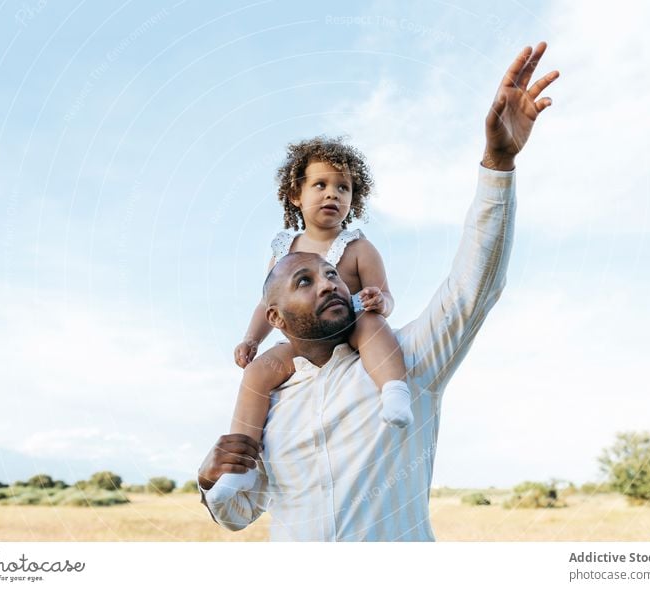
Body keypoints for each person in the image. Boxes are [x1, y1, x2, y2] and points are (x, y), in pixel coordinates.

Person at [198, 42, 559, 540]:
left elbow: (474, 284)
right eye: (305, 279)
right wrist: (212, 481)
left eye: (331, 275)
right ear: (276, 316)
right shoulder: (272, 396)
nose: (329, 280)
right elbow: (238, 514)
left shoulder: (410, 362)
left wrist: (497, 164)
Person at [208, 138, 416, 504]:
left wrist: (378, 301)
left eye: (343, 188)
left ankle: (394, 392)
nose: (332, 194)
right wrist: (252, 338)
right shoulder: (283, 250)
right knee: (258, 372)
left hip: (350, 328)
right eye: (320, 185)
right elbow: (268, 303)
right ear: (295, 195)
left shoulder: (358, 247)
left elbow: (386, 295)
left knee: (372, 325)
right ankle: (241, 467)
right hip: (305, 337)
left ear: (354, 199)